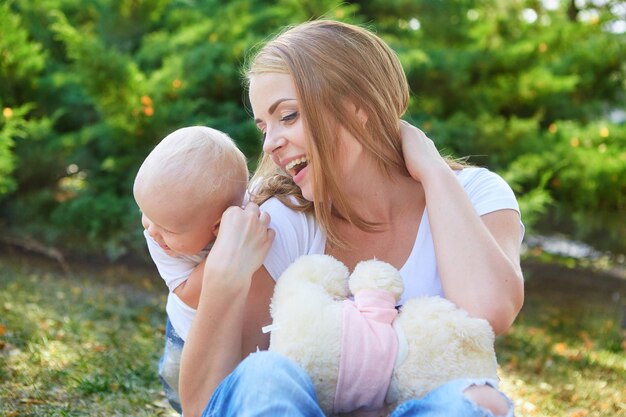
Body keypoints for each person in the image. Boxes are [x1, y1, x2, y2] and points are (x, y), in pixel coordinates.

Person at [179, 20, 525, 417]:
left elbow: (490, 311)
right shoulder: (280, 222)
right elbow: (213, 403)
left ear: (357, 107)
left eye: (288, 116)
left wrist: (433, 171)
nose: (269, 143)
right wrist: (225, 274)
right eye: (263, 126)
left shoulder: (475, 194)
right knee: (265, 374)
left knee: (471, 403)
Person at [133, 126, 249, 413]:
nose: (151, 231)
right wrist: (226, 249)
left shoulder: (243, 217)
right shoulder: (157, 239)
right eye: (146, 215)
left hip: (230, 333)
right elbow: (187, 293)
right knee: (177, 381)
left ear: (217, 225)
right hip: (183, 332)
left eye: (168, 229)